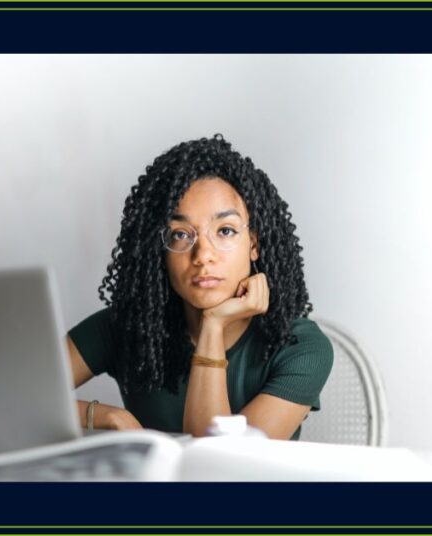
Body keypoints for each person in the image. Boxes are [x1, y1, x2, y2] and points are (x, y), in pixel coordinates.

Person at [66, 135, 333, 440]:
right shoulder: (128, 326)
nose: (203, 254)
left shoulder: (301, 347)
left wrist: (213, 325)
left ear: (254, 245)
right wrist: (109, 417)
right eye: (180, 234)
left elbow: (220, 468)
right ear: (161, 251)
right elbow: (9, 395)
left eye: (226, 230)